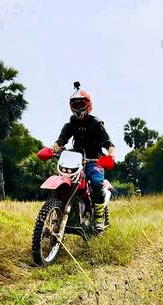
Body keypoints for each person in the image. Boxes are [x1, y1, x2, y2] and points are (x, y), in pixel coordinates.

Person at [51, 82, 116, 232]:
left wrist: (111, 155)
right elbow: (60, 142)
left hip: (95, 160)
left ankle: (98, 218)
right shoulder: (70, 124)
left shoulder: (96, 123)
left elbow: (108, 144)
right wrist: (50, 149)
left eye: (81, 103)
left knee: (97, 183)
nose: (78, 107)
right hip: (75, 159)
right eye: (75, 104)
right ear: (71, 106)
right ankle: (63, 212)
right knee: (64, 180)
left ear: (88, 104)